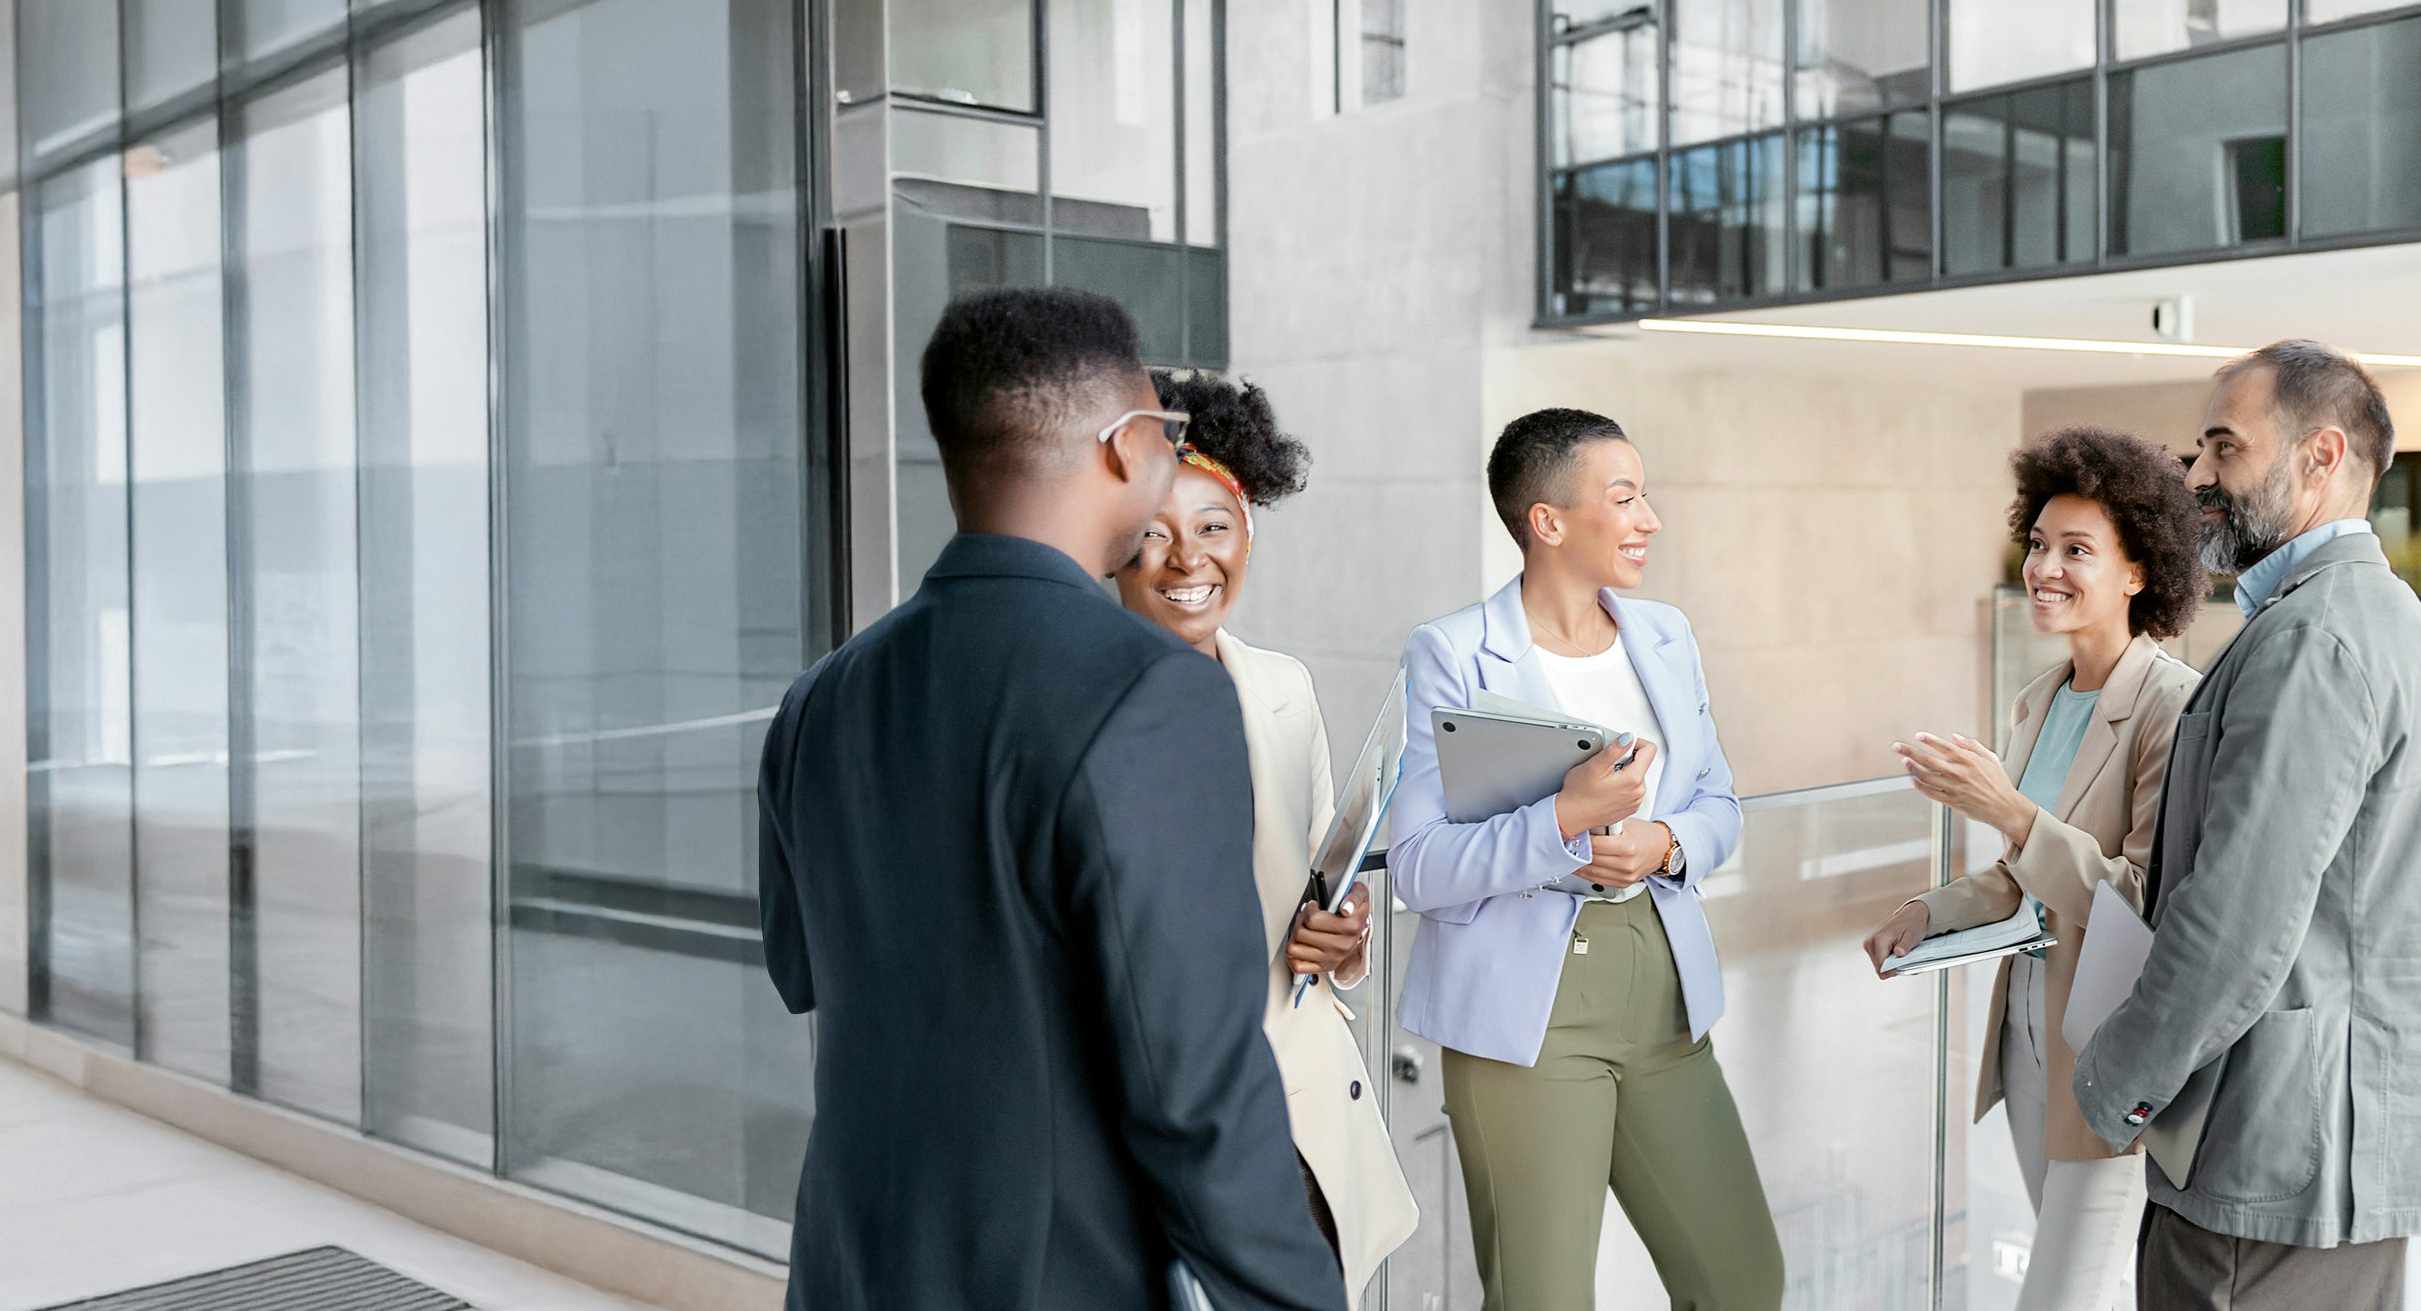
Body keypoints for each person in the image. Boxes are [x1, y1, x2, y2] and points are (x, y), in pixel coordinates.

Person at [753, 289, 1344, 1311]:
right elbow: (1194, 1095)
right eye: (1164, 432)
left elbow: (800, 969)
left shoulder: (820, 697)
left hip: (849, 1268)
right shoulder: (1152, 691)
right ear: (1124, 444)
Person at [2070, 340, 2421, 1310]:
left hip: (2269, 1167)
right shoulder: (2369, 618)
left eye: (2223, 449)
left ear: (2319, 458)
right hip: (2325, 1152)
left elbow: (2236, 923)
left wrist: (2113, 1085)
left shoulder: (2313, 640)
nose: (2196, 476)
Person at [1384, 408, 1783, 1310]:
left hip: (1667, 1005)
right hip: (1526, 1021)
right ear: (1548, 521)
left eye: (1645, 496)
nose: (1649, 519)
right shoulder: (1452, 653)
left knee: (1743, 1281)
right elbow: (1415, 865)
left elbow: (1720, 804)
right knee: (1543, 1300)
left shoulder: (1666, 636)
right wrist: (1564, 820)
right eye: (1626, 497)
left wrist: (1666, 842)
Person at [1862, 427, 2208, 1311]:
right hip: (2024, 1042)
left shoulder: (2172, 705)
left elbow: (2142, 898)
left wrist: (2008, 809)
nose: (2045, 566)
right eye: (2040, 544)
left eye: (2078, 550)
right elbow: (2021, 881)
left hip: (2109, 1054)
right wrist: (1929, 910)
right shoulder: (2042, 698)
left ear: (2139, 574)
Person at [1111, 368, 1420, 1308]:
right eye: (1152, 535)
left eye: (1212, 527)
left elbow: (1314, 900)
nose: (1187, 560)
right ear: (1112, 552)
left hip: (1293, 1116)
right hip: (1158, 1119)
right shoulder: (1080, 708)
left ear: (1248, 530)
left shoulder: (1283, 691)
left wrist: (1343, 935)